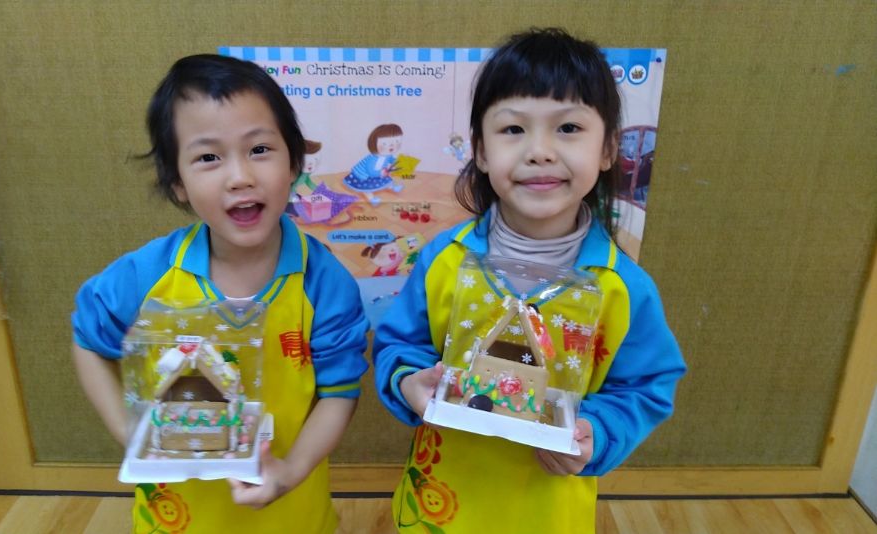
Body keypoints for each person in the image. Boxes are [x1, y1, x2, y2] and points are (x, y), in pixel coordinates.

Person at [373, 28, 686, 532]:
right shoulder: (444, 261)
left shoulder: (622, 287)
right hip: (440, 502)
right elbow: (398, 345)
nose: (539, 151)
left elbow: (647, 386)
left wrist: (598, 431)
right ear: (480, 151)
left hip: (547, 510)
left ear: (608, 148)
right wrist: (410, 381)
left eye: (568, 128)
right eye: (514, 129)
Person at [71, 54, 369, 534]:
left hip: (290, 513)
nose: (240, 176)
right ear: (177, 182)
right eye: (208, 157)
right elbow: (88, 340)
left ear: (294, 161)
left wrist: (291, 472)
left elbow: (340, 392)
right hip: (178, 516)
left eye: (259, 149)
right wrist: (128, 432)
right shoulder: (146, 275)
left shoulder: (325, 282)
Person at [343, 123, 405, 204]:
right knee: (366, 188)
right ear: (374, 144)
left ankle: (392, 186)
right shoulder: (373, 159)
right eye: (385, 143)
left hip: (378, 172)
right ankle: (371, 198)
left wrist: (398, 162)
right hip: (363, 176)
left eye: (397, 141)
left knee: (387, 179)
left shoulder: (387, 154)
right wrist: (382, 173)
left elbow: (390, 159)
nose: (392, 146)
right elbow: (371, 172)